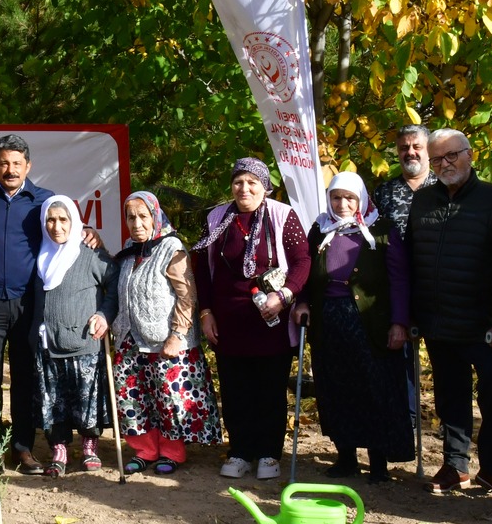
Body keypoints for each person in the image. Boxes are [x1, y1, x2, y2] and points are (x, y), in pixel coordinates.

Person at [0, 133, 102, 467]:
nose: (11, 169)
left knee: (25, 378)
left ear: (28, 166)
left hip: (28, 304)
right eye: (4, 163)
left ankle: (21, 448)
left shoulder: (42, 200)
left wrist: (88, 231)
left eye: (17, 163)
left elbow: (64, 227)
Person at [401, 129, 492, 495]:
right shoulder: (422, 200)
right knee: (449, 396)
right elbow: (410, 257)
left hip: (482, 320)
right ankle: (455, 465)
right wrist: (411, 313)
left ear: (469, 155)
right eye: (437, 159)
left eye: (451, 156)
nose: (444, 164)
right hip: (436, 318)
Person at [192, 157, 310, 482]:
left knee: (270, 389)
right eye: (238, 182)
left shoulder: (283, 215)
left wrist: (284, 295)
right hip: (228, 321)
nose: (244, 188)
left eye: (252, 182)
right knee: (235, 390)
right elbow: (201, 269)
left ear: (265, 187)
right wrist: (206, 312)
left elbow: (302, 261)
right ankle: (240, 451)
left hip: (271, 320)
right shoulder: (216, 218)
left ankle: (269, 452)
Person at [295, 172, 413, 484]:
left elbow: (400, 280)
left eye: (350, 198)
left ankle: (378, 463)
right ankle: (345, 457)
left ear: (361, 198)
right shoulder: (320, 229)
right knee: (336, 389)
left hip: (370, 323)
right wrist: (302, 303)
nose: (343, 204)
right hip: (329, 321)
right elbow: (305, 271)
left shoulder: (381, 230)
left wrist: (400, 323)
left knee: (373, 389)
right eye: (336, 197)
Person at [109, 191, 220, 476]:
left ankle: (172, 452)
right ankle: (145, 450)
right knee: (132, 396)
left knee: (168, 399)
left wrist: (177, 334)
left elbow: (187, 296)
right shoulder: (129, 249)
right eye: (131, 217)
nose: (137, 224)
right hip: (130, 338)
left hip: (165, 339)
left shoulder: (171, 247)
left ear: (155, 216)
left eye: (143, 216)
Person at [27, 195, 119, 477]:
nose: (56, 226)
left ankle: (90, 447)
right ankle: (59, 450)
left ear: (74, 221)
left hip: (85, 342)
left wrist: (104, 315)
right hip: (48, 343)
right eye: (50, 220)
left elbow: (115, 283)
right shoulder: (39, 256)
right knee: (53, 400)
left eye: (63, 219)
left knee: (86, 398)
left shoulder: (90, 253)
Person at [376, 125, 435, 236]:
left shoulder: (445, 187)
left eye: (417, 147)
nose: (410, 152)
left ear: (429, 150)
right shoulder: (383, 192)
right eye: (404, 148)